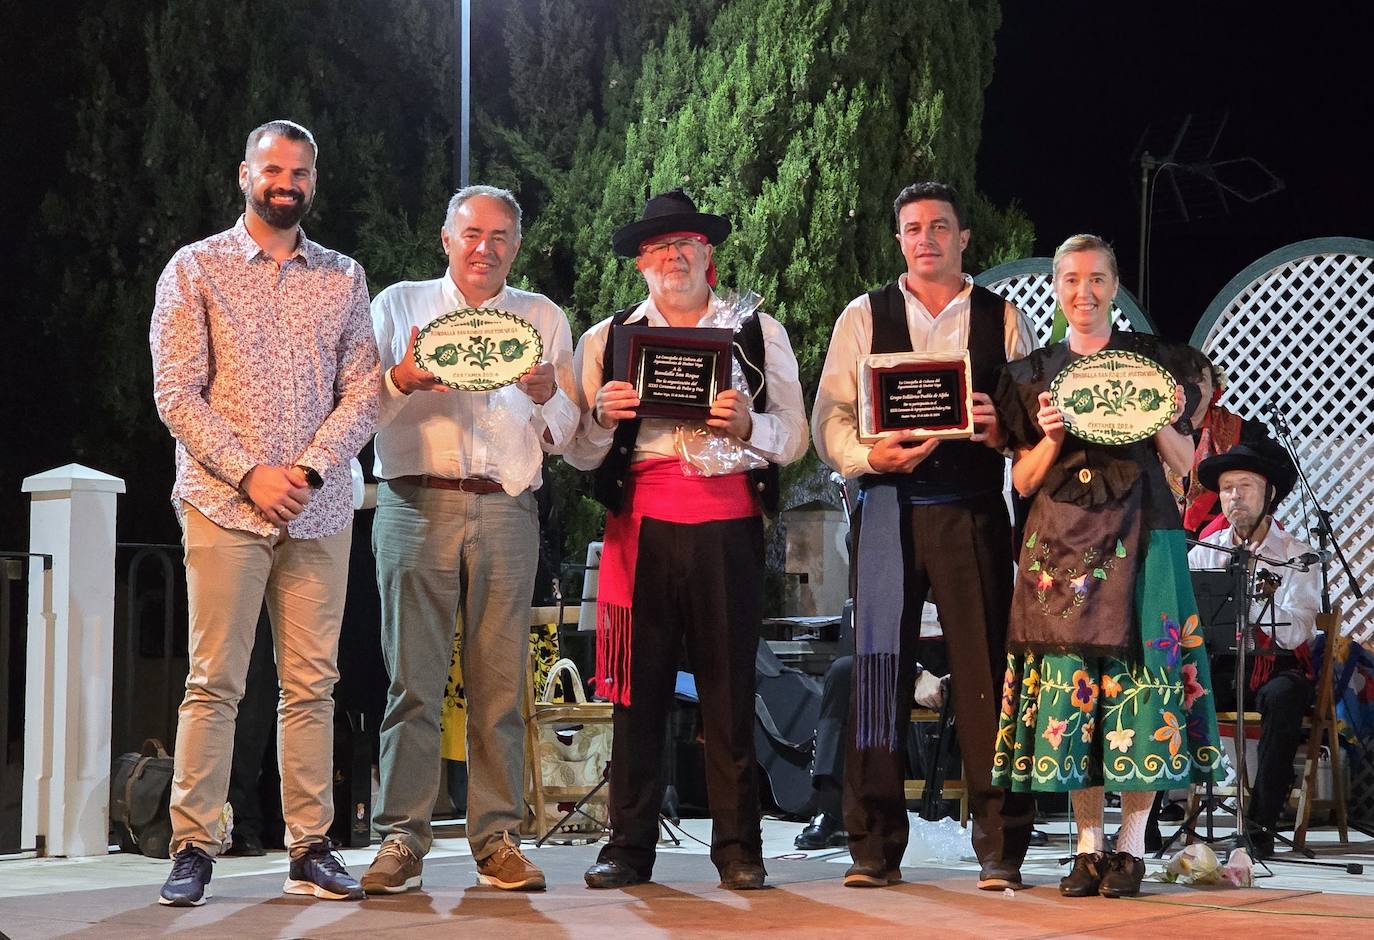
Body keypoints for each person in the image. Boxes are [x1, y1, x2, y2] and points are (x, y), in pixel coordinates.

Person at [149, 119, 379, 906]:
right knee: (215, 681)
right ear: (244, 173)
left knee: (312, 684)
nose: (288, 182)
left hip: (318, 510)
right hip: (223, 503)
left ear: (314, 180)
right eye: (274, 169)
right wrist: (252, 474)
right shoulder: (195, 268)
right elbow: (176, 392)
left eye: (301, 172)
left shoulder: (344, 276)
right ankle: (192, 845)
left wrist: (309, 471)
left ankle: (309, 846)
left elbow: (366, 391)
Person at [566, 189, 808, 890]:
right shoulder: (606, 340)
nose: (674, 256)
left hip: (728, 525)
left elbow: (792, 439)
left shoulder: (758, 333)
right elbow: (579, 456)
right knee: (636, 694)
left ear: (710, 255)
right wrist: (603, 421)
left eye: (687, 244)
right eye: (659, 246)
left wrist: (748, 429)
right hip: (640, 525)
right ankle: (629, 847)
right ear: (641, 263)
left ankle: (738, 848)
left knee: (729, 691)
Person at [812, 180, 1037, 890]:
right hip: (886, 508)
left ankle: (1000, 848)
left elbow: (1031, 427)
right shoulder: (862, 315)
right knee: (878, 676)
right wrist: (865, 456)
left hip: (970, 507)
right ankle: (873, 848)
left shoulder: (1003, 317)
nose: (926, 239)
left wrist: (1002, 429)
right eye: (913, 228)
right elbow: (829, 418)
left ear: (964, 237)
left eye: (940, 226)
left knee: (986, 679)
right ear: (899, 238)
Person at [991, 234, 1224, 899]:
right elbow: (1028, 477)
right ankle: (1088, 847)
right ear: (1057, 289)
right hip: (1061, 549)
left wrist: (1151, 414)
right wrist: (1056, 434)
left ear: (1115, 286)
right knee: (1078, 693)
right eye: (1071, 279)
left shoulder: (1156, 363)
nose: (1084, 292)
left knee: (1142, 686)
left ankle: (1131, 845)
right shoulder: (1033, 374)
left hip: (1146, 538)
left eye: (1097, 279)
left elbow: (1185, 466)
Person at [362, 185, 579, 894]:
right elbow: (356, 407)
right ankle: (402, 838)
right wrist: (402, 377)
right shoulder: (397, 306)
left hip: (506, 508)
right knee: (412, 681)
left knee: (498, 686)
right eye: (472, 233)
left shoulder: (542, 316)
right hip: (413, 502)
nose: (484, 248)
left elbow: (572, 435)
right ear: (444, 238)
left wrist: (550, 392)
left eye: (500, 236)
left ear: (516, 245)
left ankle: (497, 839)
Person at [1189, 441, 1318, 858]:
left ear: (1270, 494)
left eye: (1245, 486)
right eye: (1227, 488)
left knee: (1286, 696)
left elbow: (1297, 632)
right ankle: (1150, 823)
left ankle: (1260, 823)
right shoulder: (1206, 551)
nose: (1234, 496)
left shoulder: (1298, 556)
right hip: (1223, 665)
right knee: (1168, 690)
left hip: (1274, 667)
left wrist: (1247, 604)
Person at [1165, 347, 1273, 539]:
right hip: (1164, 534)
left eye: (1200, 380)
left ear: (1215, 387)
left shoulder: (1243, 432)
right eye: (1185, 381)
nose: (1192, 389)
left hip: (1220, 537)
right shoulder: (1157, 430)